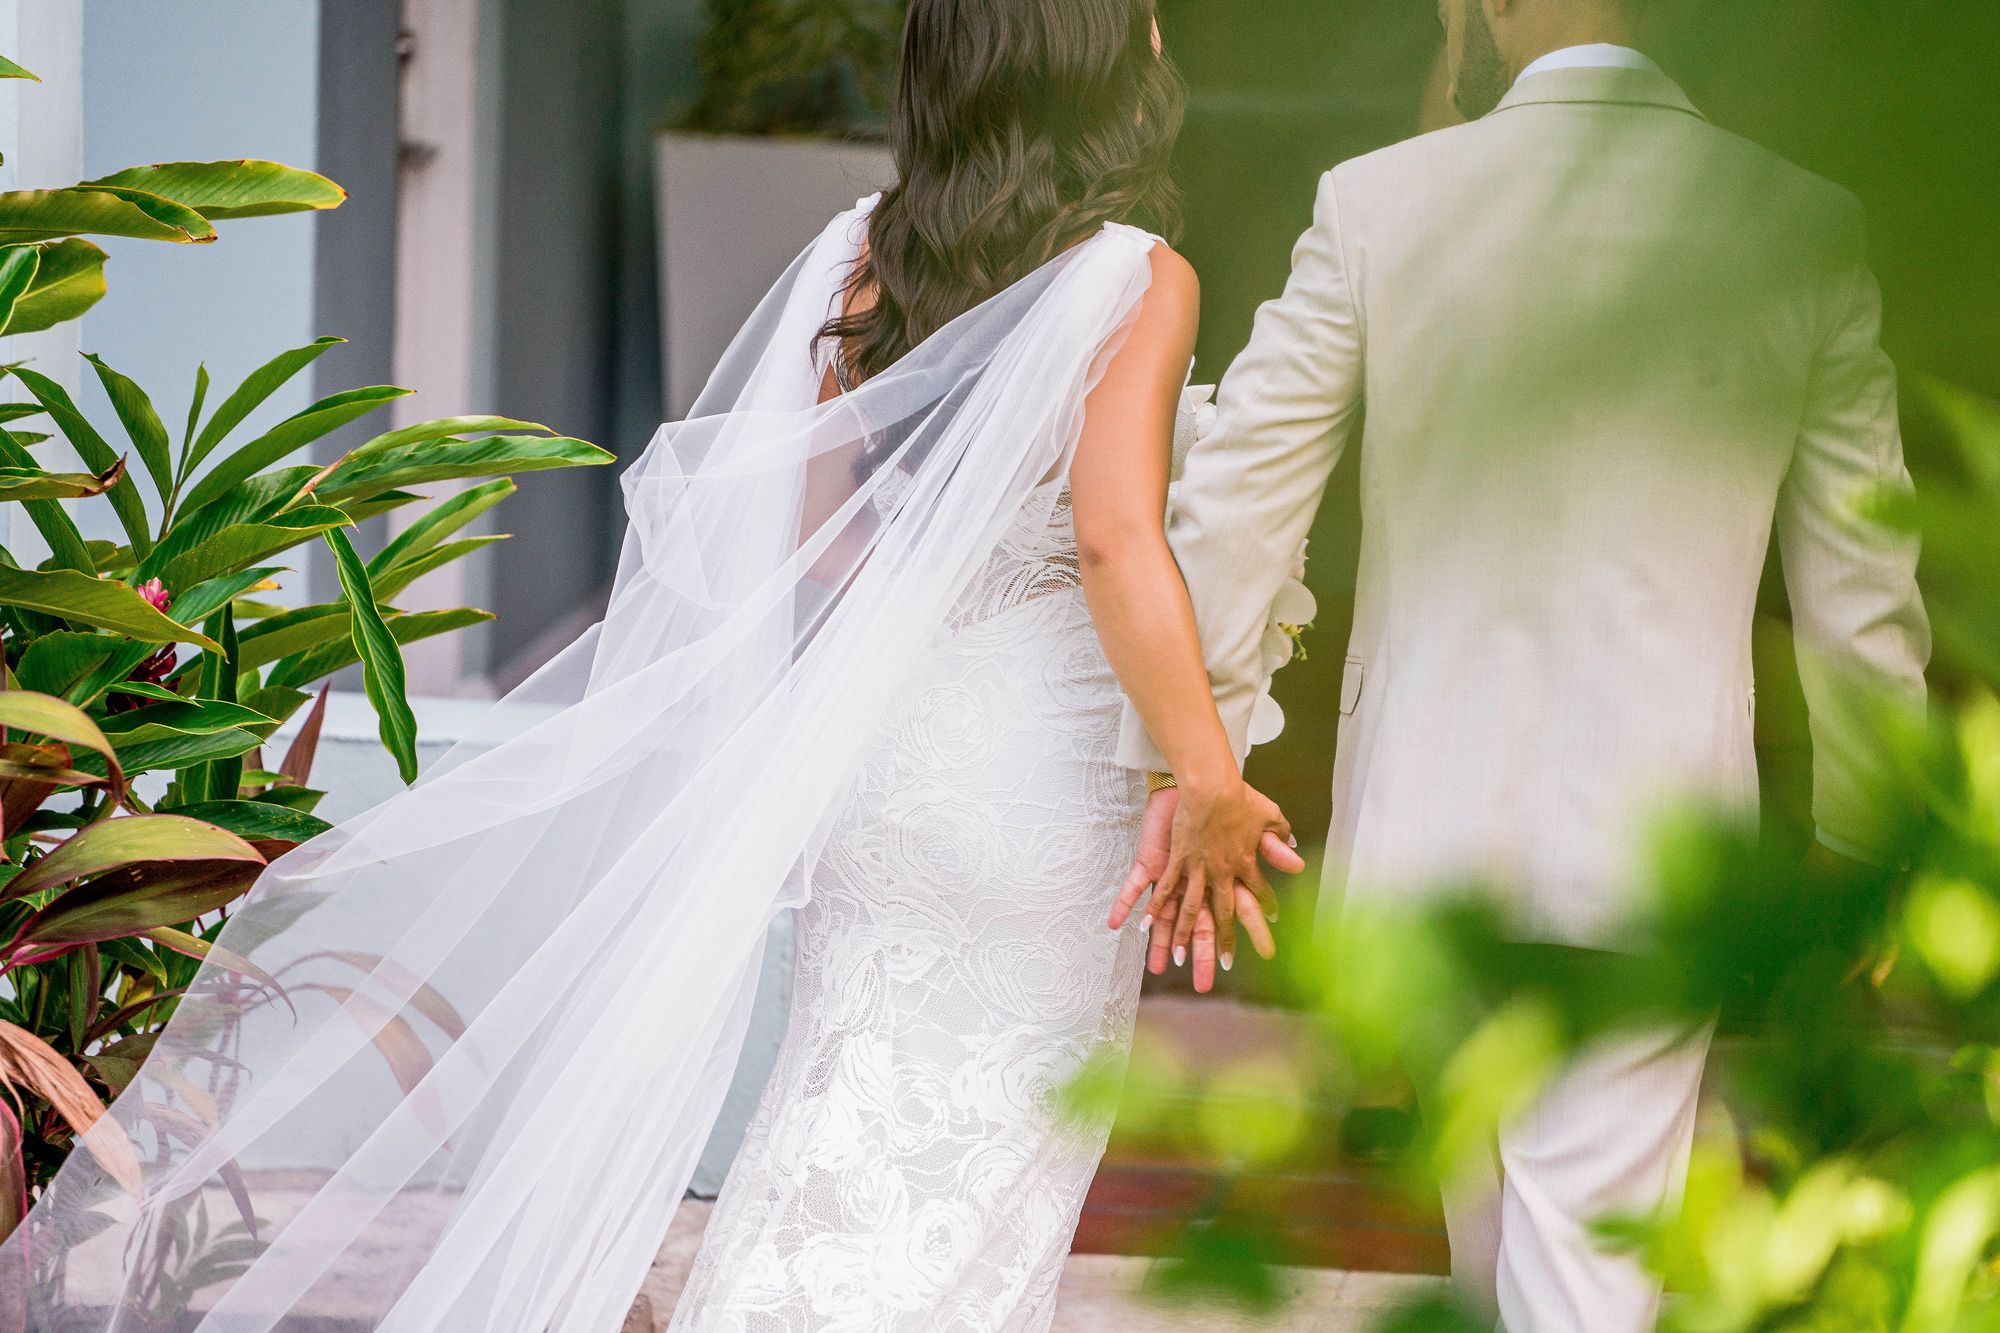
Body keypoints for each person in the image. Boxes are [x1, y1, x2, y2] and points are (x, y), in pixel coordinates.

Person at [9, 2, 1296, 1330]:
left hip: (882, 772)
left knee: (830, 1123)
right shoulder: (1137, 275)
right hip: (1033, 786)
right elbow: (1113, 540)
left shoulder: (861, 255)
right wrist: (1206, 772)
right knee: (990, 1157)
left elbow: (812, 547)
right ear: (1090, 62)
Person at [1110, 0, 1930, 1328]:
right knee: (1570, 1268)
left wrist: (1198, 759)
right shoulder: (1800, 222)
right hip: (1657, 839)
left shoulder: (1380, 200)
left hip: (1421, 829)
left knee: (1504, 1255)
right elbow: (1864, 579)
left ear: (1492, 4)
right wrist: (1870, 838)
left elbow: (1242, 503)